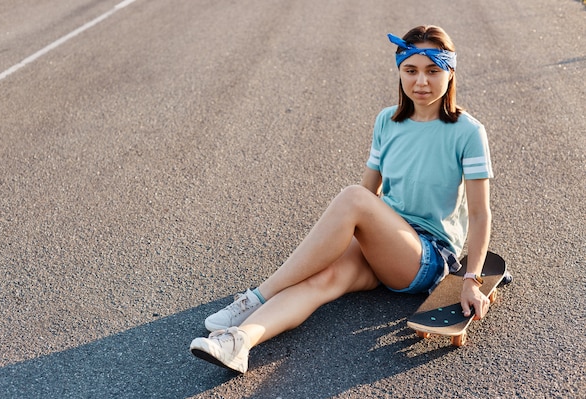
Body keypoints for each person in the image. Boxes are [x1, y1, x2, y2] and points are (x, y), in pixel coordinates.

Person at [189, 25, 494, 374]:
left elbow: (480, 213)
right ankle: (239, 341)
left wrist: (471, 279)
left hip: (426, 255)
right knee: (321, 279)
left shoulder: (467, 132)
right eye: (411, 70)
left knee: (352, 197)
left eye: (432, 71)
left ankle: (257, 296)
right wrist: (332, 247)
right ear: (399, 71)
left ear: (450, 72)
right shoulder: (387, 122)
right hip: (384, 242)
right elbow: (370, 195)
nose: (421, 82)